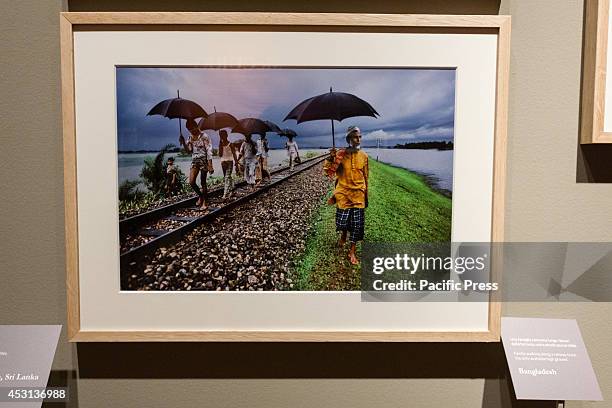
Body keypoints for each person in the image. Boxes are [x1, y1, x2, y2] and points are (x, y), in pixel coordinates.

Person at [323, 126, 369, 265]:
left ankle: (352, 251)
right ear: (349, 139)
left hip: (358, 194)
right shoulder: (340, 155)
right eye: (356, 137)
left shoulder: (364, 156)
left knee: (357, 225)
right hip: (343, 193)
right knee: (342, 222)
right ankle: (343, 233)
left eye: (360, 137)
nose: (358, 139)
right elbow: (328, 172)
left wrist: (365, 193)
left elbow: (366, 176)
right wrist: (331, 159)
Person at [179, 119, 214, 210]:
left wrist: (210, 165)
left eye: (192, 128)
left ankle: (205, 202)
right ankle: (201, 196)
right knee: (191, 182)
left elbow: (209, 151)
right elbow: (189, 151)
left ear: (197, 126)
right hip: (194, 161)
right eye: (189, 129)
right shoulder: (190, 137)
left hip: (204, 161)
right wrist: (183, 143)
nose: (191, 130)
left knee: (203, 182)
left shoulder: (204, 136)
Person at [218, 129, 238, 199]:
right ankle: (232, 189)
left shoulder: (231, 144)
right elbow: (220, 155)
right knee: (227, 177)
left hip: (229, 162)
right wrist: (220, 144)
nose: (223, 137)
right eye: (221, 136)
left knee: (227, 177)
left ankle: (225, 194)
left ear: (226, 135)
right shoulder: (220, 144)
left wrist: (236, 163)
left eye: (224, 135)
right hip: (223, 162)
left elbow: (234, 154)